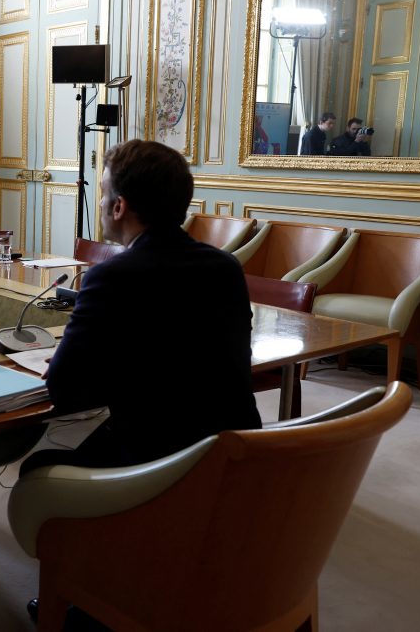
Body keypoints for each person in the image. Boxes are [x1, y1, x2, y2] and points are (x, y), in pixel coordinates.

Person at [22, 139, 260, 474]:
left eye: (103, 193)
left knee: (36, 468)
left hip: (159, 464)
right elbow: (180, 357)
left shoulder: (110, 277)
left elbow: (65, 390)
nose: (100, 202)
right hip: (234, 454)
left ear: (118, 207)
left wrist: (74, 364)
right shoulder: (226, 267)